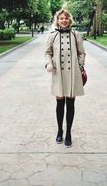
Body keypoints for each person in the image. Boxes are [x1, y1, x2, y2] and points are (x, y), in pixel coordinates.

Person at [44, 8, 86, 148]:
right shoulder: (52, 36)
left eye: (66, 18)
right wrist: (49, 63)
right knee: (60, 104)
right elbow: (47, 52)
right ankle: (59, 130)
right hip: (58, 74)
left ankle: (68, 133)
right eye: (61, 18)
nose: (64, 20)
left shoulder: (76, 35)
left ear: (70, 20)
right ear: (58, 20)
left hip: (73, 74)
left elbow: (82, 53)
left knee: (71, 104)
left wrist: (80, 67)